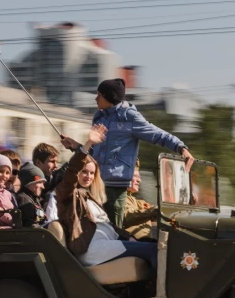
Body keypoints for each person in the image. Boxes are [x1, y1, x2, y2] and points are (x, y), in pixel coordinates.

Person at [61, 78, 194, 229]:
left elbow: (158, 135)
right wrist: (77, 146)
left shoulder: (130, 117)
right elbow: (94, 154)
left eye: (99, 95)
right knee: (91, 228)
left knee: (114, 230)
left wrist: (180, 147)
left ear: (110, 98)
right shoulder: (99, 117)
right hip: (94, 183)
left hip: (114, 187)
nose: (96, 98)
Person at [57, 124, 157, 270]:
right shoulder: (69, 194)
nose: (88, 176)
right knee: (153, 251)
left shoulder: (92, 199)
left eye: (92, 173)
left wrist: (129, 237)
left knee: (155, 245)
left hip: (107, 244)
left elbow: (109, 226)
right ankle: (164, 292)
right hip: (92, 248)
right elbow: (71, 174)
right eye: (84, 172)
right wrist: (88, 144)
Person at [123, 160, 158, 241]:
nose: (139, 180)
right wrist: (153, 211)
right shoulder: (119, 199)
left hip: (144, 241)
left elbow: (151, 209)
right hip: (133, 242)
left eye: (139, 177)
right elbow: (127, 217)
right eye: (135, 176)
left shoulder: (136, 201)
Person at [16, 162, 48, 227]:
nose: (43, 187)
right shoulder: (24, 199)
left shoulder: (34, 199)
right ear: (29, 183)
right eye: (40, 182)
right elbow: (30, 226)